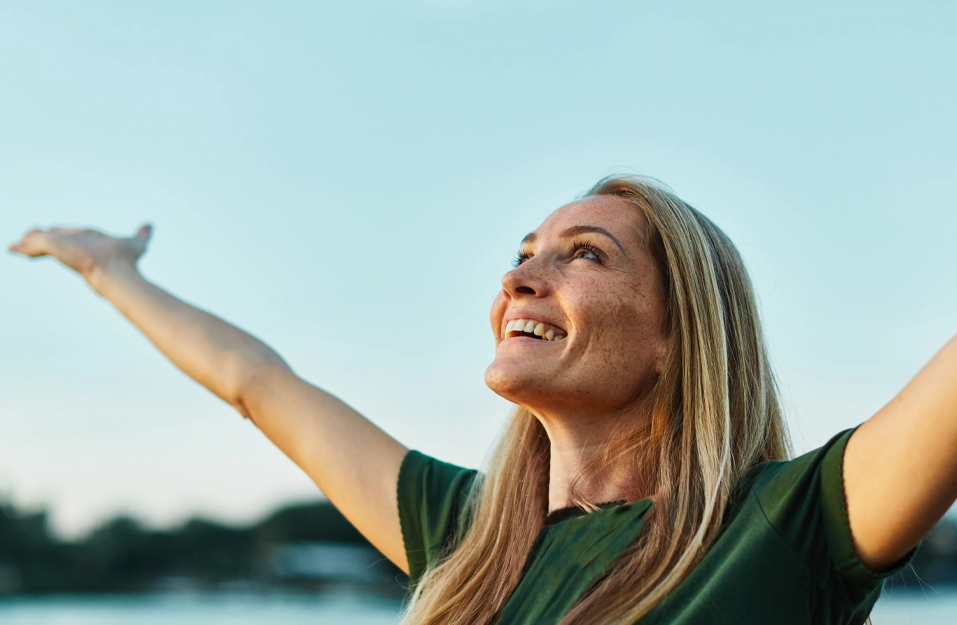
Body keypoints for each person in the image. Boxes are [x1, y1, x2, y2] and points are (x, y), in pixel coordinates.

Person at [9, 176, 953, 624]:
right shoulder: (466, 537)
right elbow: (256, 383)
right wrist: (109, 272)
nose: (522, 277)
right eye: (521, 252)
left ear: (680, 335)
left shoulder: (787, 526)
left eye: (584, 253)